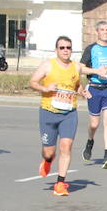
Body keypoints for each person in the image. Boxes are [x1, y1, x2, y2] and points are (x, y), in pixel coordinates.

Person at [28, 35, 88, 196]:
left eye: (68, 47)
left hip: (69, 113)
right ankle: (47, 161)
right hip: (48, 113)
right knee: (49, 152)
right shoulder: (48, 65)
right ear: (56, 50)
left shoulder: (75, 67)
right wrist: (45, 88)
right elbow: (32, 82)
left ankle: (60, 183)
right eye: (62, 47)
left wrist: (82, 91)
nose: (65, 50)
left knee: (66, 147)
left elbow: (76, 84)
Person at [80, 20, 107, 167]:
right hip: (95, 89)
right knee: (94, 124)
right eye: (102, 30)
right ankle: (90, 141)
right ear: (97, 32)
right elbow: (80, 68)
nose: (105, 32)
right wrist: (96, 71)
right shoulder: (91, 49)